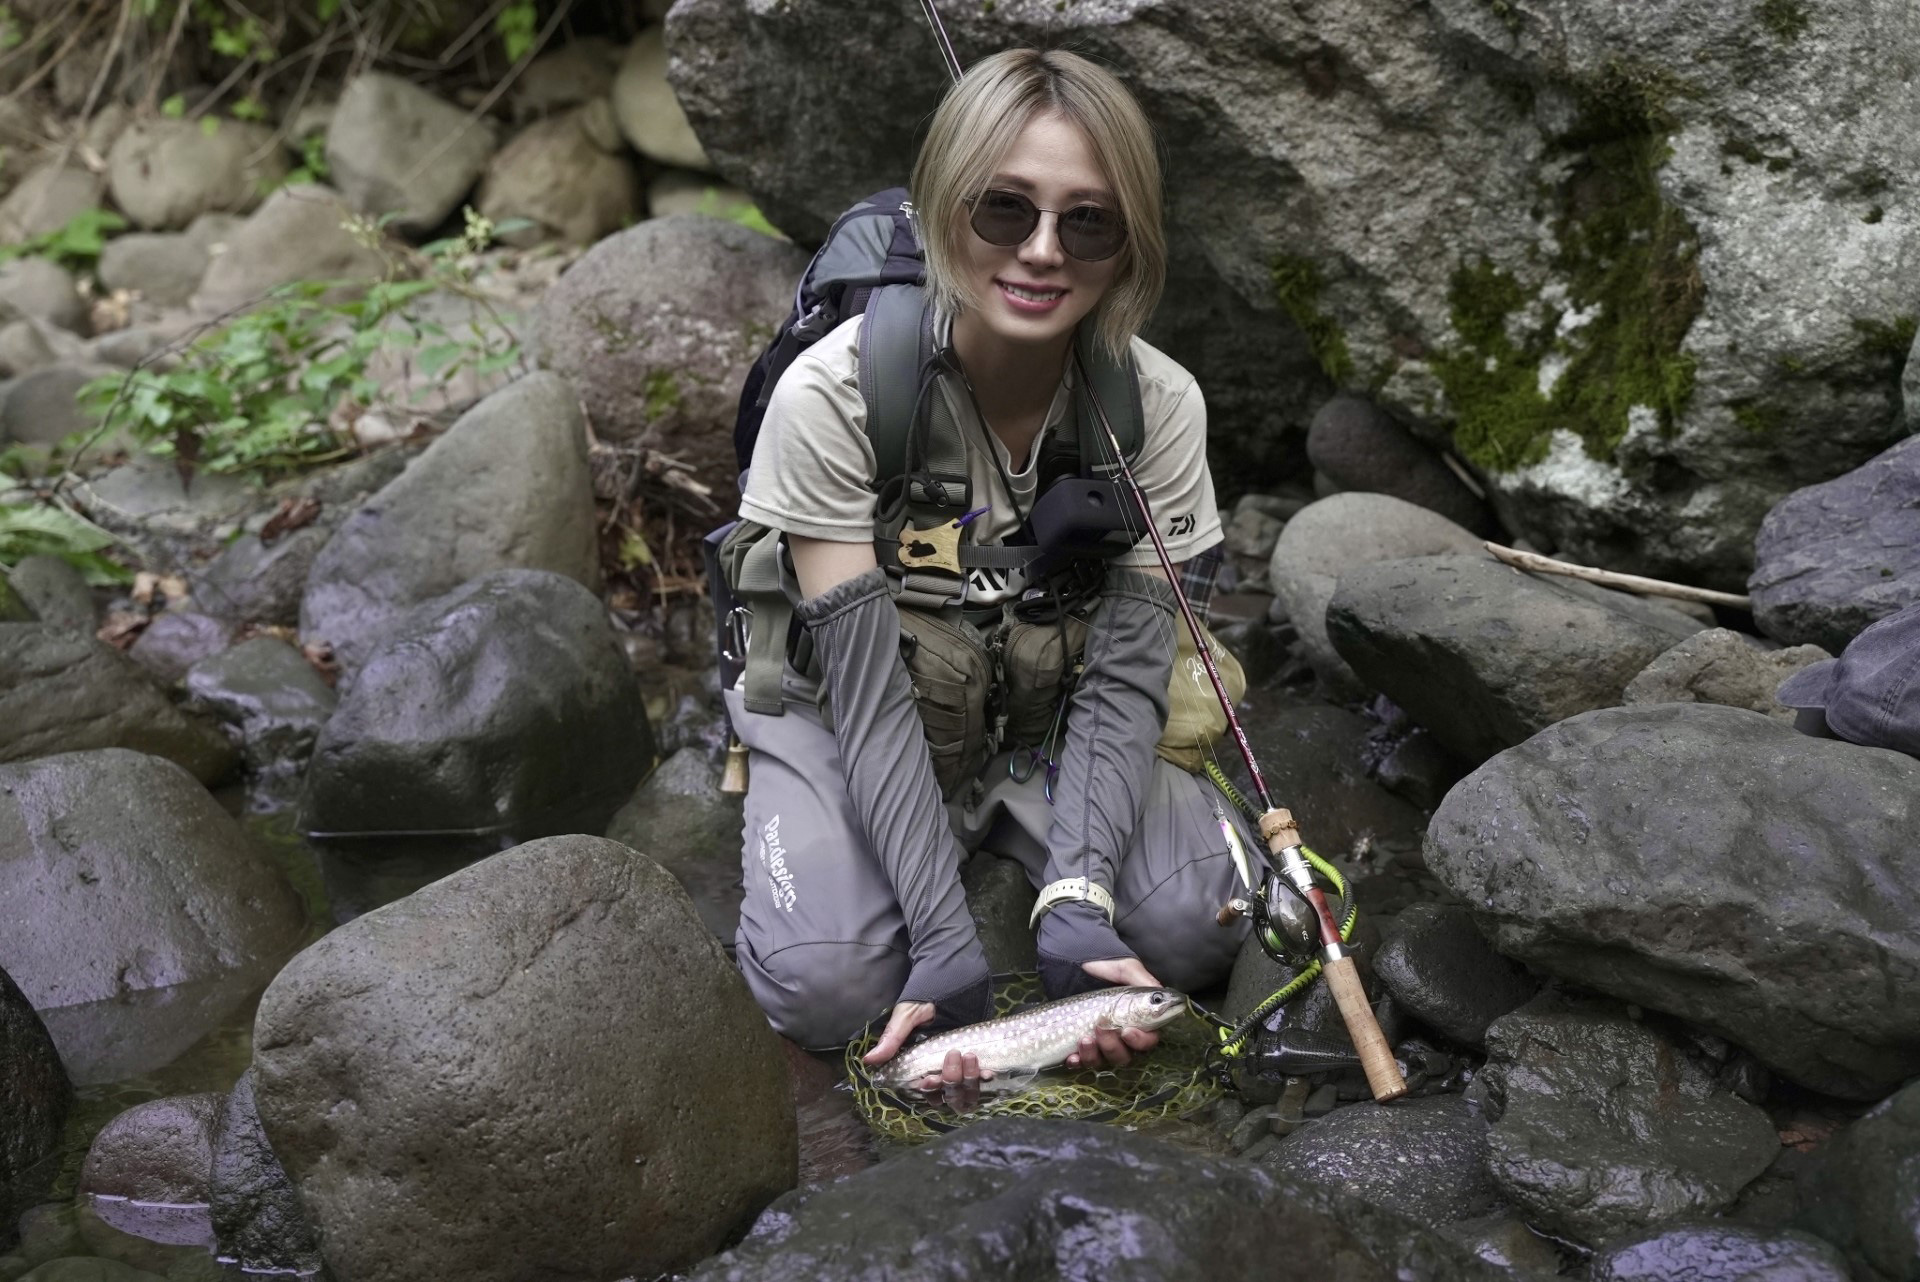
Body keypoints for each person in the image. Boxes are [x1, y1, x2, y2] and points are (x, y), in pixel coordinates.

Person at [726, 47, 1252, 1091]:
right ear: (938, 213)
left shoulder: (1161, 410)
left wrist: (1080, 901)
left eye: (1088, 220)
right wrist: (939, 936)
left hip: (1042, 720)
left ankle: (1034, 861)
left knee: (1197, 930)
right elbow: (871, 701)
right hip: (849, 708)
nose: (1044, 251)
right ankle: (906, 869)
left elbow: (1128, 680)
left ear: (1130, 242)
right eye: (1003, 210)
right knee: (827, 987)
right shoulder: (835, 398)